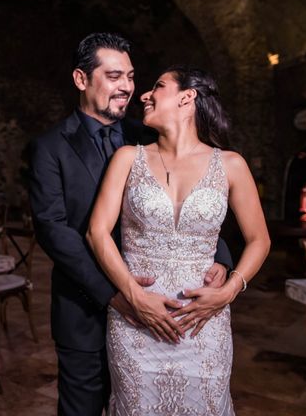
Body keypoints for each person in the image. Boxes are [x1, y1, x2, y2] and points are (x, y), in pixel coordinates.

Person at [27, 33, 232, 416]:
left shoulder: (147, 135)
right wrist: (116, 294)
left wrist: (220, 257)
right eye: (114, 76)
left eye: (131, 77)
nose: (127, 88)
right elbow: (53, 231)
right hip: (85, 308)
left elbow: (196, 195)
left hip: (159, 313)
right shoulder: (49, 147)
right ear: (81, 79)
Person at [87, 65, 270, 414]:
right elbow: (97, 232)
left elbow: (259, 239)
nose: (144, 94)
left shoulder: (231, 165)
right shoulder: (128, 158)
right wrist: (133, 294)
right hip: (136, 324)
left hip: (204, 324)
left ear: (188, 97)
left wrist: (228, 291)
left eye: (157, 86)